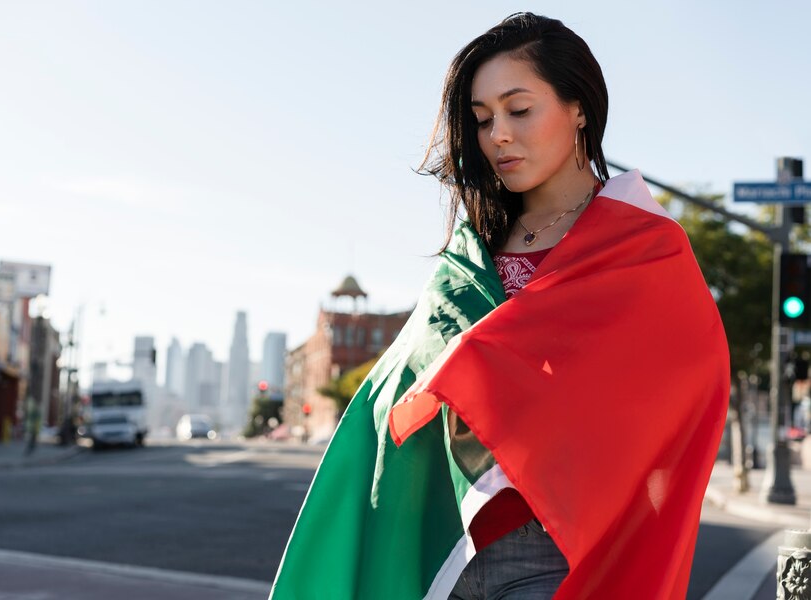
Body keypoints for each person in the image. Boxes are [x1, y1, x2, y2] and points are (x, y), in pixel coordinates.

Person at [270, 13, 729, 600]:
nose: (498, 136)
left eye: (519, 110)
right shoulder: (470, 253)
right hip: (443, 551)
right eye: (484, 119)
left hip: (558, 553)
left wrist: (494, 380)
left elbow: (684, 389)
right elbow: (400, 386)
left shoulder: (644, 248)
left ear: (579, 108)